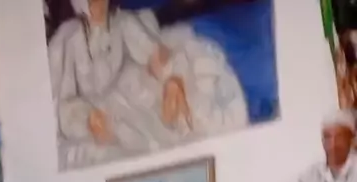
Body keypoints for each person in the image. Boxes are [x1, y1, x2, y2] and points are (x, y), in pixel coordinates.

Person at [48, 0, 248, 169]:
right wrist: (86, 117)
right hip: (97, 120)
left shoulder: (123, 22)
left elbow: (156, 55)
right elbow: (61, 105)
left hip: (127, 107)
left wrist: (172, 79)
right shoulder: (67, 38)